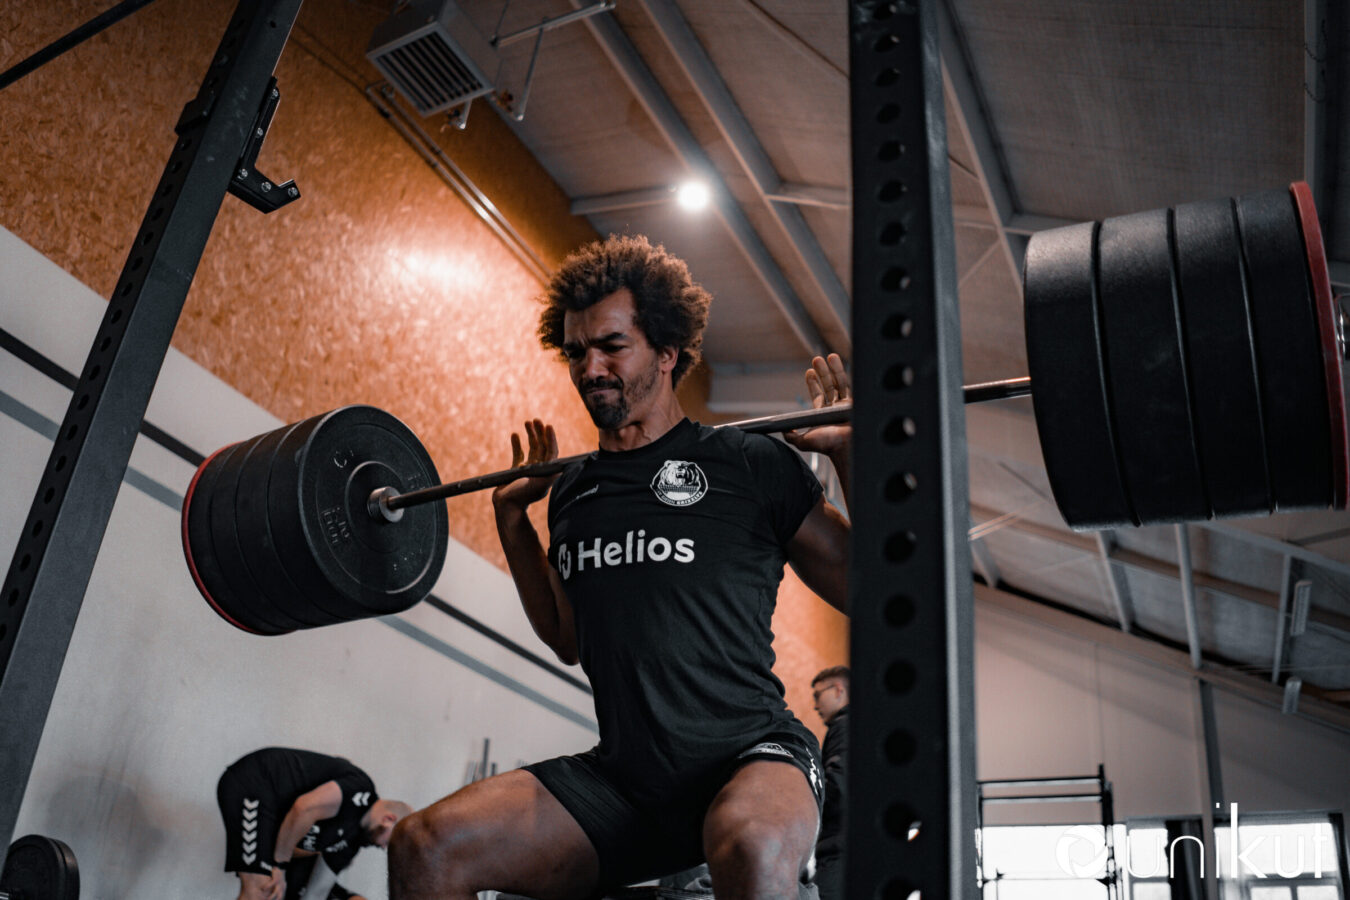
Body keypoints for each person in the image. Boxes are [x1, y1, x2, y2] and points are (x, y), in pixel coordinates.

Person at [389, 234, 852, 900]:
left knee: (750, 844)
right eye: (577, 352)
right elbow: (567, 639)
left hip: (751, 756)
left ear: (667, 352)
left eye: (612, 346)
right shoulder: (575, 492)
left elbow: (873, 591)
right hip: (629, 781)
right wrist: (513, 520)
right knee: (425, 847)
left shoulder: (749, 464)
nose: (590, 368)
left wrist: (848, 456)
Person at [217, 747, 412, 900]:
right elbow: (304, 808)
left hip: (270, 816)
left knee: (269, 893)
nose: (385, 847)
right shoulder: (361, 789)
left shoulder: (350, 843)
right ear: (389, 819)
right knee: (261, 891)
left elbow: (316, 894)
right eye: (391, 841)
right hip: (257, 782)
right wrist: (279, 865)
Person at [809, 666, 850, 900]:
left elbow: (836, 787)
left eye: (817, 695)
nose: (815, 706)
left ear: (838, 690)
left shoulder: (843, 726)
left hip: (839, 851)